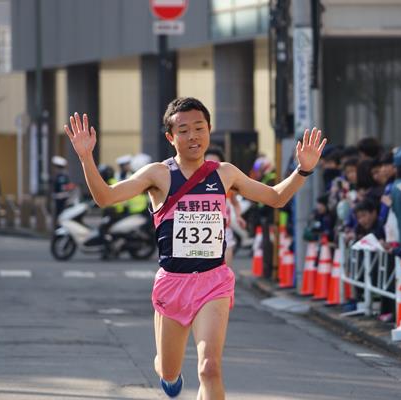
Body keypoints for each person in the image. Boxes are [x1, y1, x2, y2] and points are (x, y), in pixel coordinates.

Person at [63, 97, 326, 399]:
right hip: (173, 283)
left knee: (209, 368)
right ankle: (166, 370)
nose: (193, 136)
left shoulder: (225, 173)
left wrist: (302, 171)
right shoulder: (157, 174)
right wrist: (86, 158)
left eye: (199, 128)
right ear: (170, 137)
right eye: (184, 130)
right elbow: (106, 197)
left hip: (213, 281)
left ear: (209, 130)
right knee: (168, 371)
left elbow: (275, 197)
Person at [204, 147, 247, 268]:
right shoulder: (194, 184)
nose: (211, 168)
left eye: (215, 164)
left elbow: (235, 203)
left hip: (224, 230)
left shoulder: (227, 184)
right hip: (202, 231)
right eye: (208, 163)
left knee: (225, 269)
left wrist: (238, 216)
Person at [51, 155, 75, 221]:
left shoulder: (63, 176)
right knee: (57, 215)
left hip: (63, 198)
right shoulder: (57, 176)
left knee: (62, 215)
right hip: (57, 198)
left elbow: (67, 186)